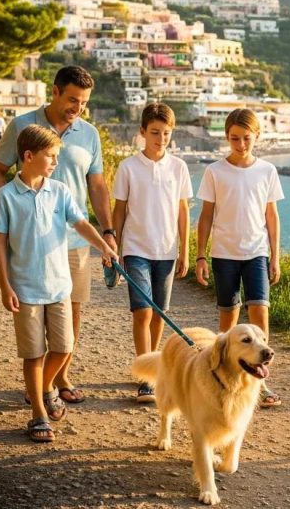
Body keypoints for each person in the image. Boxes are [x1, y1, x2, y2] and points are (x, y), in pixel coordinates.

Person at [0, 65, 118, 405]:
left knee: (71, 312)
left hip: (74, 241)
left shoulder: (89, 134)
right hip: (30, 242)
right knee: (33, 318)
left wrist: (107, 231)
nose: (79, 108)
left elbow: (97, 185)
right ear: (55, 92)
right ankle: (41, 387)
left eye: (85, 102)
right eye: (73, 100)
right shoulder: (23, 126)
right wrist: (8, 215)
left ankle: (58, 378)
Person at [195, 108, 284, 408]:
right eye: (234, 138)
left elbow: (272, 216)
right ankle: (224, 375)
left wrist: (275, 256)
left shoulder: (267, 171)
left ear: (256, 136)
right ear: (227, 137)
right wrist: (200, 256)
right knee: (228, 320)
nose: (241, 144)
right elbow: (205, 217)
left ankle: (261, 381)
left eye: (246, 138)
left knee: (260, 314)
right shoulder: (215, 171)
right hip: (224, 254)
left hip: (257, 253)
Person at [111, 103, 192, 403]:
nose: (161, 139)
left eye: (166, 133)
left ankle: (153, 366)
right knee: (143, 311)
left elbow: (183, 211)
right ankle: (146, 378)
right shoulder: (128, 167)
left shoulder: (179, 167)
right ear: (142, 132)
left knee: (159, 313)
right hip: (136, 248)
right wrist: (115, 247)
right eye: (155, 132)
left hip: (167, 249)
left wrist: (185, 250)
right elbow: (119, 210)